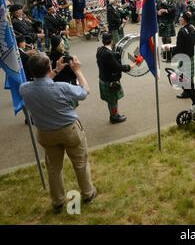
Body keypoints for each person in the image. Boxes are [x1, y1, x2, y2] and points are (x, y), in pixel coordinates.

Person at [19, 52, 97, 213]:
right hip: (69, 130)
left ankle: (58, 200)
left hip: (45, 133)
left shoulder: (24, 89)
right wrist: (78, 71)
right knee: (80, 163)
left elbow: (42, 84)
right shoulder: (62, 87)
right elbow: (84, 92)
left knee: (53, 168)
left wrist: (55, 71)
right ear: (48, 67)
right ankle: (88, 193)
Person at [96, 32, 135, 124]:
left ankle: (113, 115)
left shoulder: (100, 50)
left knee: (111, 101)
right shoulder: (109, 54)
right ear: (112, 41)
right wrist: (130, 66)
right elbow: (118, 67)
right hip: (110, 81)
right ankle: (114, 117)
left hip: (103, 79)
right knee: (113, 101)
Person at [170, 12, 195, 99]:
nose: (179, 19)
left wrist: (171, 50)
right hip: (192, 55)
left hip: (184, 56)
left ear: (184, 20)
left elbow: (179, 48)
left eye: (181, 18)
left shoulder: (182, 31)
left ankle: (186, 92)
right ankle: (192, 90)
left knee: (182, 74)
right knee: (190, 74)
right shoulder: (193, 27)